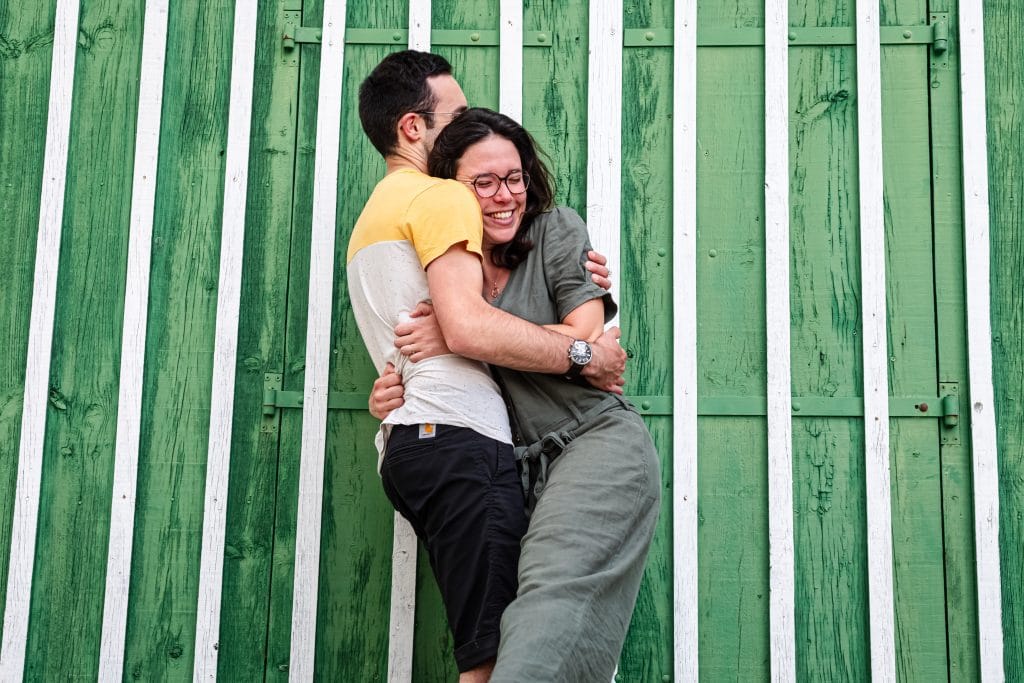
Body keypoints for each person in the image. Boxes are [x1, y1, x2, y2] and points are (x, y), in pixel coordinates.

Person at [347, 50, 622, 682]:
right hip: (460, 440)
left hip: (411, 444)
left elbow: (417, 333)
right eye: (459, 113)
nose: (470, 124)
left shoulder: (372, 220)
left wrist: (586, 279)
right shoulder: (441, 198)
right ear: (414, 128)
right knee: (495, 661)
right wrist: (585, 352)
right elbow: (468, 326)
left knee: (491, 649)